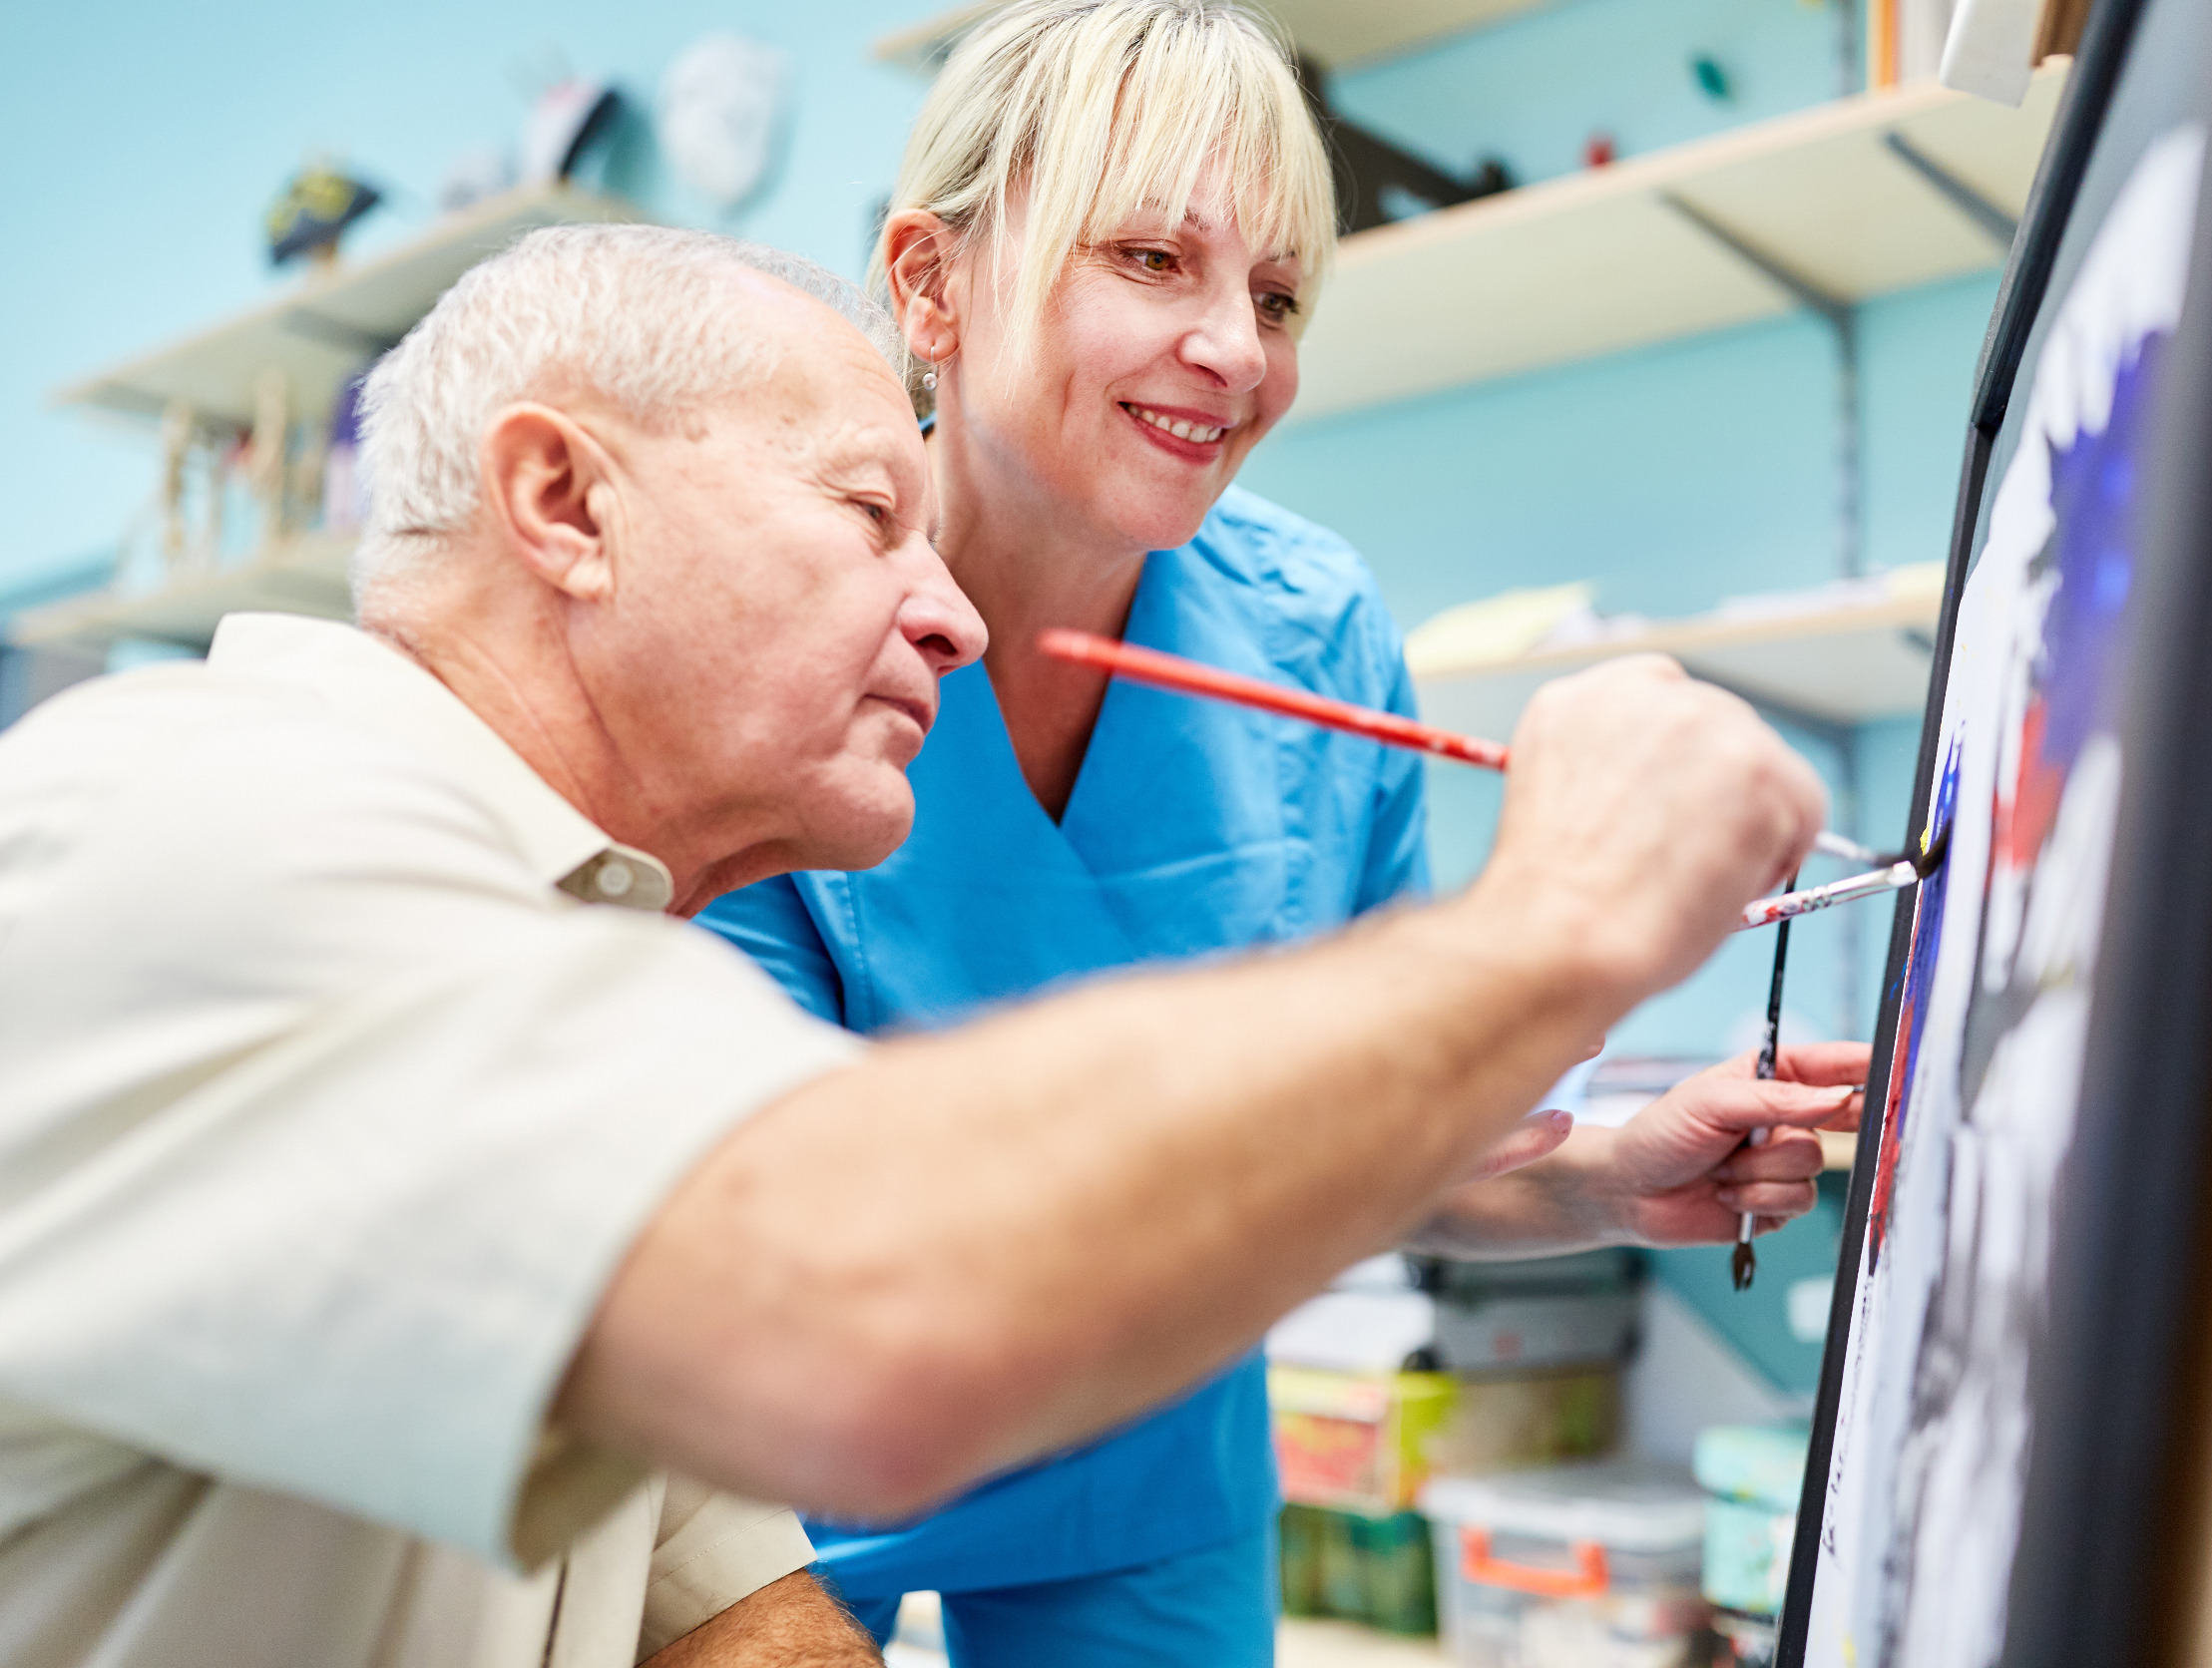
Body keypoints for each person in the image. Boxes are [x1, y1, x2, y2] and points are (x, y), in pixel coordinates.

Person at [0, 223, 1847, 1668]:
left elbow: (706, 1598)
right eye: (867, 509)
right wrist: (1563, 916)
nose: (953, 613)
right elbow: (856, 1331)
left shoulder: (571, 938)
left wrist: (1577, 1154)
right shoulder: (208, 833)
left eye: (1277, 290)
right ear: (564, 505)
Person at [698, 3, 1872, 1662]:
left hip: (1153, 1476)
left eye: (1275, 297)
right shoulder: (759, 643)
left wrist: (1608, 1177)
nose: (1237, 354)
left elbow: (1356, 1157)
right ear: (928, 286)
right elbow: (767, 1239)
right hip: (770, 1493)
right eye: (1153, 261)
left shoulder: (1311, 631)